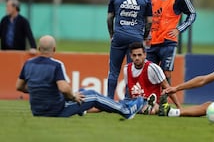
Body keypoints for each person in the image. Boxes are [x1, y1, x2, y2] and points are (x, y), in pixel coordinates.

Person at [15, 35, 144, 118]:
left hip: (37, 110)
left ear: (38, 48)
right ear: (54, 49)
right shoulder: (55, 65)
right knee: (92, 95)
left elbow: (19, 86)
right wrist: (73, 96)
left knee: (82, 91)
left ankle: (82, 110)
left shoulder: (28, 64)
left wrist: (40, 89)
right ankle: (126, 110)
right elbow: (64, 88)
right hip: (55, 110)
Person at [107, 0, 152, 99]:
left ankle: (109, 99)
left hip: (119, 37)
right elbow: (149, 21)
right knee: (131, 70)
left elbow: (109, 18)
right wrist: (143, 37)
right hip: (136, 38)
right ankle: (128, 99)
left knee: (113, 71)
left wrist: (111, 34)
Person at [147, 0, 196, 84]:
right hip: (151, 41)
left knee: (166, 73)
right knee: (149, 72)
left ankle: (164, 101)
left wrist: (179, 29)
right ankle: (150, 100)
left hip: (168, 42)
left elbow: (192, 14)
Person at [124, 42, 181, 115]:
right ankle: (145, 108)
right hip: (135, 101)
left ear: (145, 55)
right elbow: (129, 89)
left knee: (152, 110)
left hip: (151, 101)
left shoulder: (152, 68)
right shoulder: (126, 69)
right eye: (134, 55)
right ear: (130, 56)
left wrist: (179, 107)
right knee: (123, 105)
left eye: (139, 55)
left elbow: (167, 87)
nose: (137, 58)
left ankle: (151, 107)